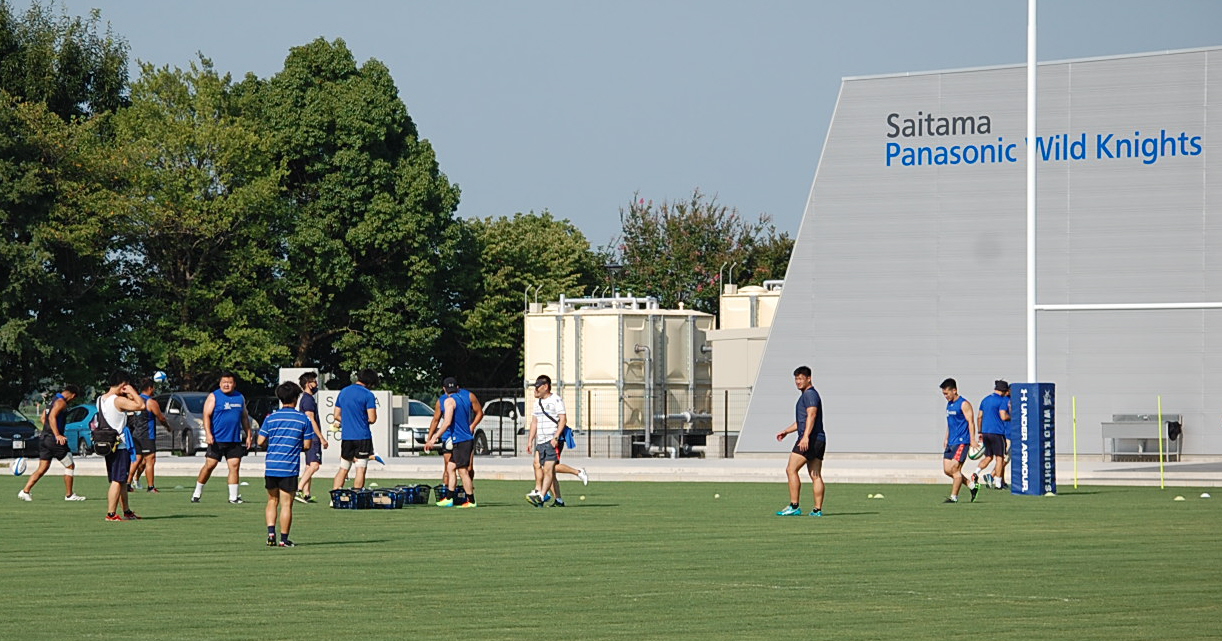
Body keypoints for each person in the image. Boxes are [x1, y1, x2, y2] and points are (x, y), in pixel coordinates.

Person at [258, 381, 313, 547]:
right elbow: (307, 445)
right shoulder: (303, 419)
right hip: (289, 467)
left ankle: (270, 534)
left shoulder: (271, 418)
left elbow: (261, 440)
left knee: (271, 501)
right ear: (296, 398)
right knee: (287, 504)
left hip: (272, 465)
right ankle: (284, 539)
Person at [191, 372, 253, 504]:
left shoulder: (240, 397)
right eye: (224, 382)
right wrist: (208, 433)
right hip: (217, 439)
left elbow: (244, 417)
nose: (226, 384)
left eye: (229, 382)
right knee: (210, 465)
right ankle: (197, 492)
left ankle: (233, 497)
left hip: (234, 439)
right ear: (220, 383)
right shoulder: (214, 396)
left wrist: (249, 434)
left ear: (234, 384)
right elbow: (206, 415)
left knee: (234, 466)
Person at [774, 365, 827, 516]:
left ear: (809, 378)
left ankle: (794, 506)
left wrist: (805, 437)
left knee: (791, 470)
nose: (797, 382)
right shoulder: (808, 395)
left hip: (809, 439)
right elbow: (802, 421)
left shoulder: (809, 395)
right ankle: (817, 510)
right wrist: (786, 431)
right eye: (796, 379)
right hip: (819, 439)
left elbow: (812, 415)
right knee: (815, 475)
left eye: (800, 379)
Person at [18, 384, 86, 501]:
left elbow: (43, 418)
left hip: (44, 439)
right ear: (73, 395)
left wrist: (47, 431)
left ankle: (25, 491)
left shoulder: (52, 401)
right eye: (74, 398)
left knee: (43, 467)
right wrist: (57, 434)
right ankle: (69, 495)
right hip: (54, 440)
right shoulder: (61, 402)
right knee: (70, 465)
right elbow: (51, 418)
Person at [425, 377, 483, 508]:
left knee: (463, 471)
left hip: (461, 440)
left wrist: (434, 438)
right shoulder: (464, 398)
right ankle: (449, 498)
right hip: (463, 439)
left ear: (444, 389)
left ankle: (471, 500)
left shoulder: (448, 401)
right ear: (457, 388)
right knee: (451, 468)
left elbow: (447, 422)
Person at [100, 371, 146, 521]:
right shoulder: (117, 400)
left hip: (107, 444)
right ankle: (111, 514)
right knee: (117, 480)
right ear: (123, 384)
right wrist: (132, 391)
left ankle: (126, 511)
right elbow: (141, 405)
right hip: (120, 445)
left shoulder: (101, 399)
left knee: (121, 480)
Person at [332, 369, 379, 491]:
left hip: (347, 436)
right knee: (361, 468)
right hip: (362, 436)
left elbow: (336, 414)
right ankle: (356, 495)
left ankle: (335, 496)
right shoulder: (368, 395)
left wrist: (347, 421)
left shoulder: (344, 392)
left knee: (343, 467)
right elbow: (372, 418)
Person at [526, 375, 567, 507]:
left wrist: (556, 437)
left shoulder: (556, 400)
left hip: (551, 440)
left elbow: (563, 419)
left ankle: (542, 496)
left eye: (538, 387)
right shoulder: (537, 403)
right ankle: (549, 495)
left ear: (545, 386)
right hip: (541, 440)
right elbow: (534, 422)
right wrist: (530, 440)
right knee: (537, 465)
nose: (536, 390)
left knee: (549, 469)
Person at [940, 378, 979, 503]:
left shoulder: (964, 404)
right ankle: (972, 486)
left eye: (947, 393)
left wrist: (973, 439)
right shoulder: (949, 404)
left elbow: (971, 422)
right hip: (951, 441)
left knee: (955, 470)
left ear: (954, 390)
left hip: (962, 441)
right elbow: (950, 423)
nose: (945, 396)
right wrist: (946, 438)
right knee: (947, 470)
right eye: (944, 394)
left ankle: (954, 497)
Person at [127, 378, 168, 493]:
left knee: (136, 460)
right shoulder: (150, 402)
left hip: (136, 434)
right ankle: (150, 487)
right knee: (150, 460)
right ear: (150, 388)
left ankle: (127, 483)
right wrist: (167, 427)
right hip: (147, 435)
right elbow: (161, 417)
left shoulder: (136, 400)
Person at [294, 372, 328, 504]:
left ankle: (306, 493)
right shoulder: (307, 399)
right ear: (308, 384)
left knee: (309, 465)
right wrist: (321, 437)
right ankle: (298, 488)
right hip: (312, 437)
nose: (316, 384)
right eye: (314, 381)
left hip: (308, 436)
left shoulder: (307, 399)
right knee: (315, 465)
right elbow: (311, 419)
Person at [972, 380, 1011, 490]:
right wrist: (1013, 417)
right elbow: (1003, 416)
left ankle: (976, 473)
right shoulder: (1003, 400)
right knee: (1000, 458)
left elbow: (979, 416)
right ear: (1003, 391)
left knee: (988, 457)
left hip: (985, 432)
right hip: (997, 432)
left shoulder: (985, 399)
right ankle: (998, 483)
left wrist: (980, 431)